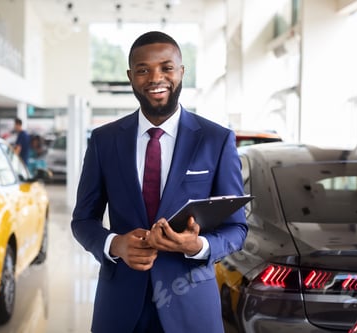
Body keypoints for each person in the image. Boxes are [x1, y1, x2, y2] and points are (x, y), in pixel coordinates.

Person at [71, 31, 248, 333]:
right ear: (131, 76)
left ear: (181, 72)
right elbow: (82, 221)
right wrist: (115, 244)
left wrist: (198, 246)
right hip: (120, 307)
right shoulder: (104, 140)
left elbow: (236, 228)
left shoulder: (216, 140)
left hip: (192, 306)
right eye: (143, 69)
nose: (156, 78)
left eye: (166, 67)